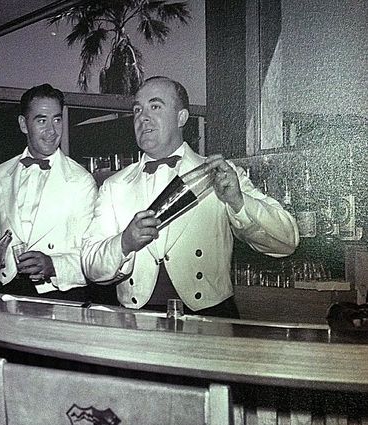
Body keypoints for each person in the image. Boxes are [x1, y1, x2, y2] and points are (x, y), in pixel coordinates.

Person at [81, 76, 299, 317]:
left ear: (181, 117)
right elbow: (91, 266)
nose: (143, 117)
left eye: (155, 106)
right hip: (137, 321)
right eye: (137, 109)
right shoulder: (114, 185)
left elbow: (286, 242)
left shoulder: (218, 173)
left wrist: (238, 201)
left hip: (210, 317)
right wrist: (124, 243)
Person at [0, 83, 97, 301]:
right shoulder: (1, 173)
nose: (52, 130)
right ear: (23, 124)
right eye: (42, 120)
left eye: (57, 120)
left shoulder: (81, 180)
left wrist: (52, 264)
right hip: (7, 289)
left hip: (59, 294)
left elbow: (92, 254)